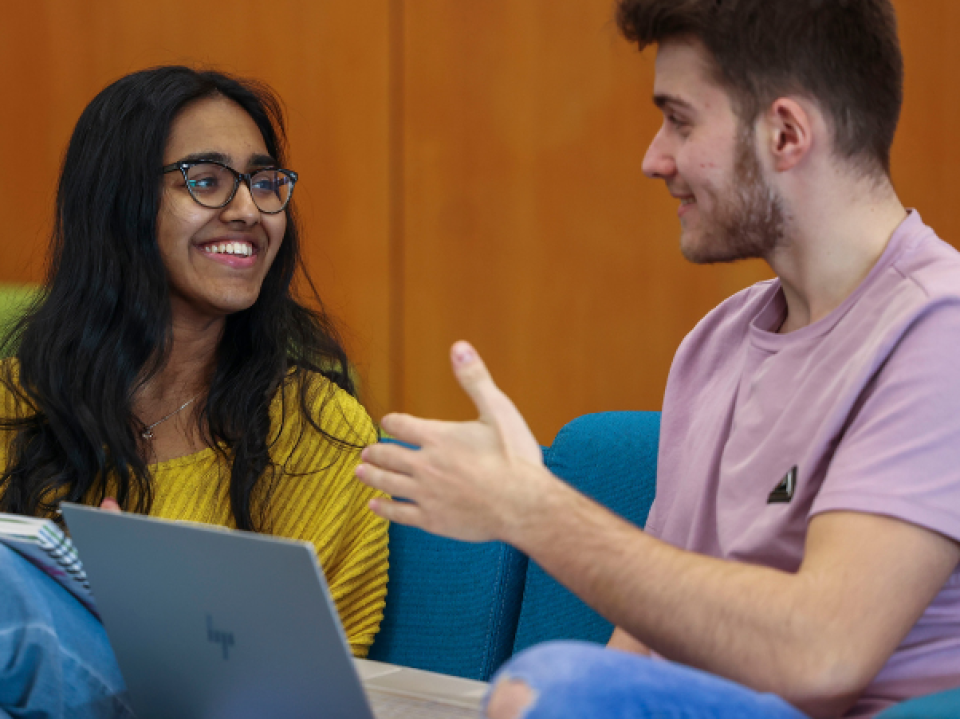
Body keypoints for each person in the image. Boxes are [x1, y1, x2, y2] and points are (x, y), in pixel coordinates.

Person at [356, 1, 960, 717]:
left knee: (548, 683)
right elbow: (647, 642)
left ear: (787, 133)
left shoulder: (938, 331)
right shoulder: (715, 343)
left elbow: (823, 652)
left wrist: (534, 508)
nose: (654, 158)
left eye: (679, 119)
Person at [0, 66, 387, 717]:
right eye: (205, 181)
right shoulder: (18, 400)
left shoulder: (317, 430)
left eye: (264, 184)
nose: (247, 210)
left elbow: (305, 688)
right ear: (116, 205)